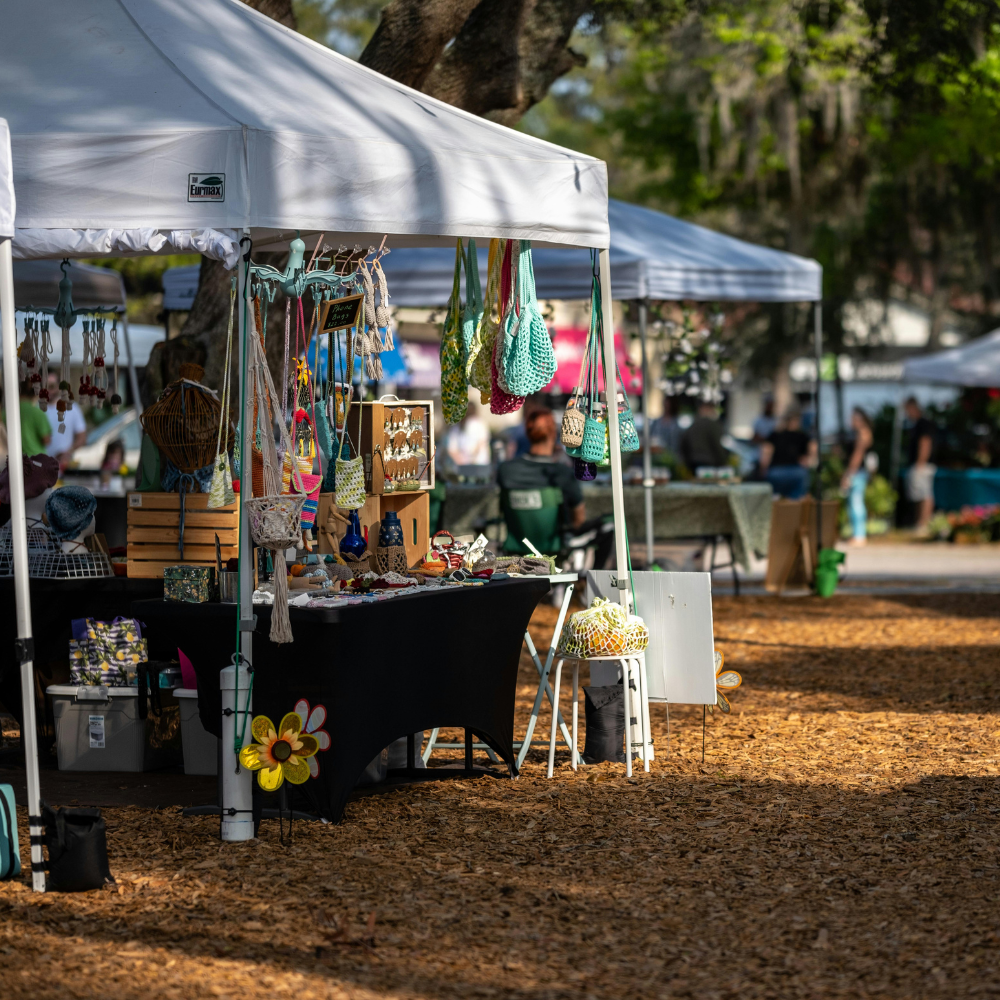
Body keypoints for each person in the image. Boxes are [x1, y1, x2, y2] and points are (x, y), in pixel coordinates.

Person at [759, 407, 816, 498]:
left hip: (776, 472)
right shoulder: (802, 436)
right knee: (796, 503)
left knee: (774, 500)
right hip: (796, 472)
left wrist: (763, 468)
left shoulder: (775, 434)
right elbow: (813, 447)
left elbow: (766, 451)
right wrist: (809, 460)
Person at [841, 407, 874, 546]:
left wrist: (849, 473)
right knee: (855, 502)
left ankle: (859, 535)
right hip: (861, 472)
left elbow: (858, 455)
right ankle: (858, 533)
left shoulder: (862, 433)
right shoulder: (863, 432)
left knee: (856, 503)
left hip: (857, 472)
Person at [904, 396, 936, 532]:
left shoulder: (923, 423)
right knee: (918, 495)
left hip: (922, 465)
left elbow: (925, 443)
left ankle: (924, 523)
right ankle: (920, 522)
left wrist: (920, 463)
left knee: (925, 494)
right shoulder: (917, 424)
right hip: (919, 464)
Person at [46, 374, 88, 470]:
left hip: (64, 465)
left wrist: (67, 453)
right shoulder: (36, 408)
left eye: (51, 386)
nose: (48, 390)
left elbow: (82, 436)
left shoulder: (72, 408)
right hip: (42, 465)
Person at [1, 380, 52, 458]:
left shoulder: (5, 413)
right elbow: (46, 440)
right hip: (36, 460)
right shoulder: (37, 412)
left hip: (14, 460)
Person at [679, 401, 729, 474]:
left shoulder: (693, 423)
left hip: (693, 462)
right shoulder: (713, 424)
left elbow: (683, 444)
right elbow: (717, 445)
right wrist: (723, 463)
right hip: (710, 463)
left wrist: (687, 462)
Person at [444, 404, 490, 468]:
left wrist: (470, 462)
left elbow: (481, 443)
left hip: (478, 464)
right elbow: (452, 449)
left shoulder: (478, 423)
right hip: (462, 466)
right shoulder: (455, 427)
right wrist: (462, 462)